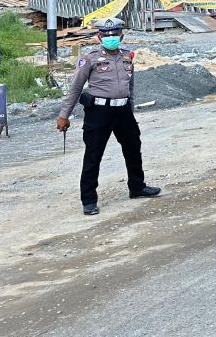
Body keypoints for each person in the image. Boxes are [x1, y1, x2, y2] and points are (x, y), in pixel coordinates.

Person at [56, 16, 160, 216]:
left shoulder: (128, 56)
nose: (110, 37)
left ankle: (137, 187)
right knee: (93, 155)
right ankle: (88, 200)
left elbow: (130, 87)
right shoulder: (90, 59)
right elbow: (76, 88)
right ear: (99, 36)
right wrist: (64, 115)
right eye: (106, 35)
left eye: (114, 34)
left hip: (123, 111)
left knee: (133, 149)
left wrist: (130, 110)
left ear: (121, 36)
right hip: (99, 113)